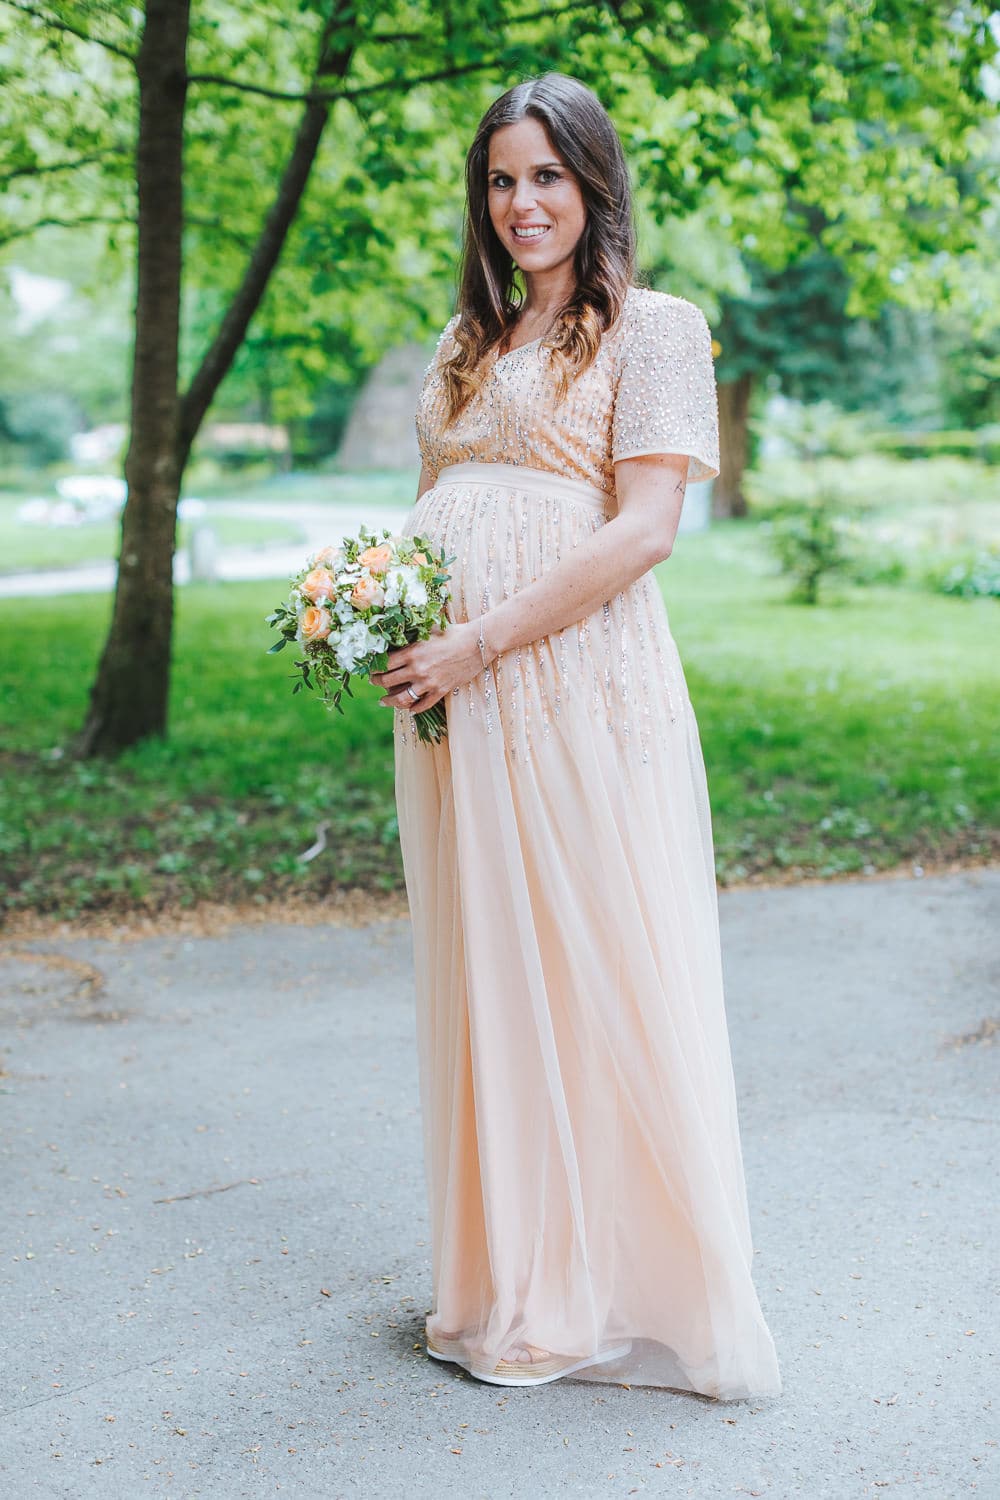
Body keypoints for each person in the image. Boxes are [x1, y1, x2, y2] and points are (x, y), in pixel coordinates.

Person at [369, 72, 782, 1400]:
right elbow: (440, 506)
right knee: (488, 966)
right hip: (454, 697)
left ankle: (622, 1284)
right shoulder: (461, 338)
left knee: (593, 959)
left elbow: (646, 530)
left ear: (594, 183)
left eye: (547, 174)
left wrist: (484, 640)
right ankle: (506, 1277)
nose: (522, 202)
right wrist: (378, 611)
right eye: (500, 178)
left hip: (569, 684)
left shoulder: (656, 327)